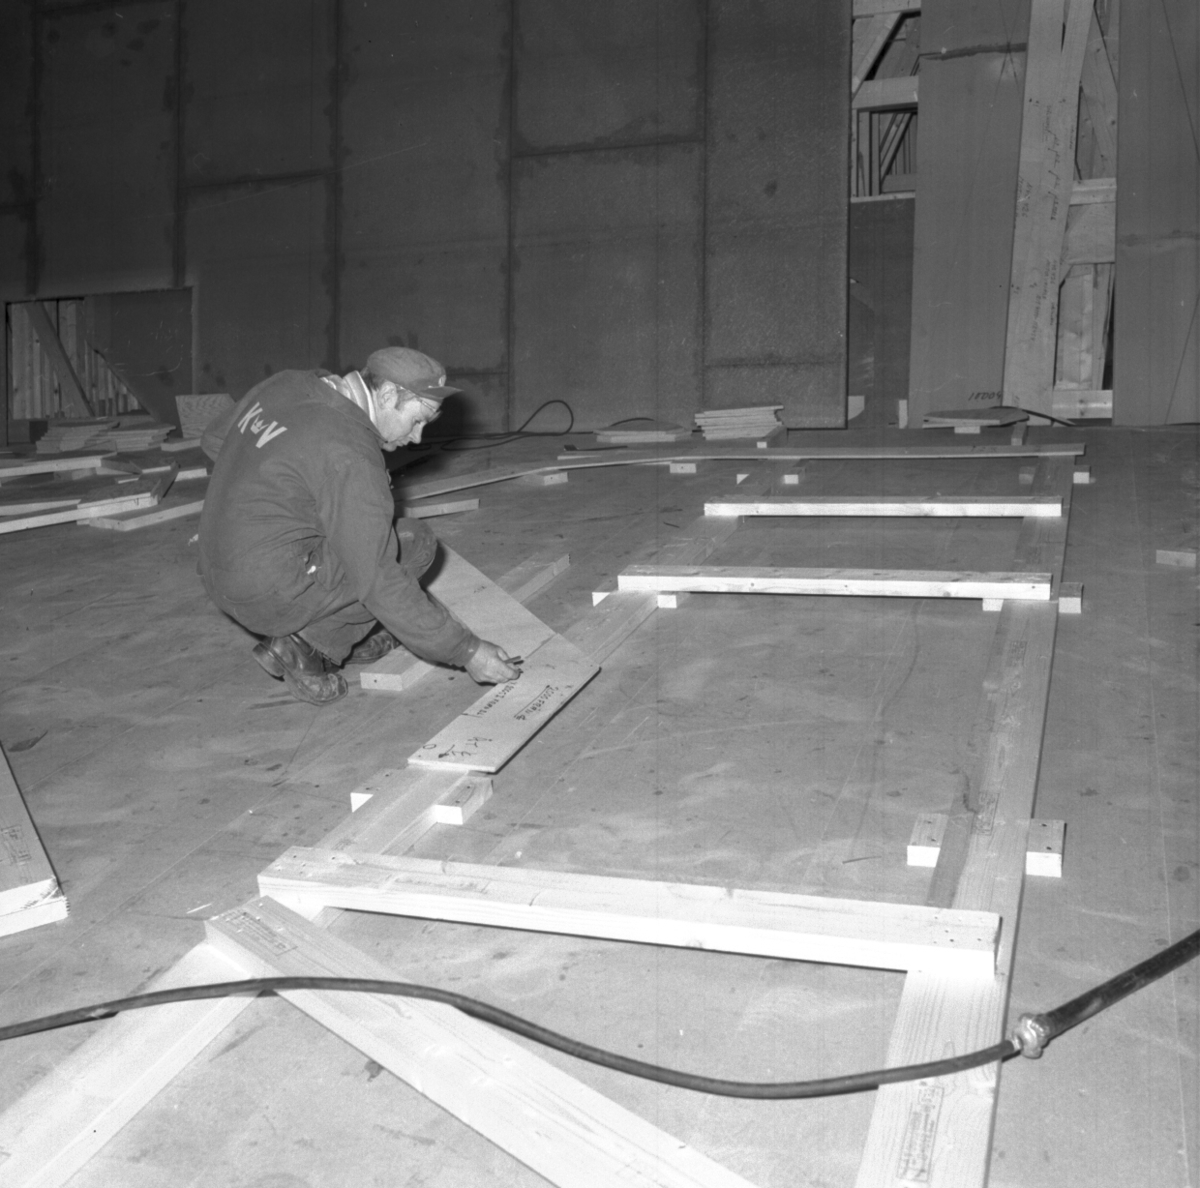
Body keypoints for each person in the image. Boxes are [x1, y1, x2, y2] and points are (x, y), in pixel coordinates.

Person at [197, 347, 521, 705]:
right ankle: (308, 647)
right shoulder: (351, 454)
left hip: (213, 569)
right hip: (265, 592)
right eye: (417, 420)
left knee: (347, 532)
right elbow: (379, 581)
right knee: (412, 544)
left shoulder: (290, 384)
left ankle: (350, 635)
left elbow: (213, 439)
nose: (417, 437)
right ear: (387, 394)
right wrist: (467, 651)